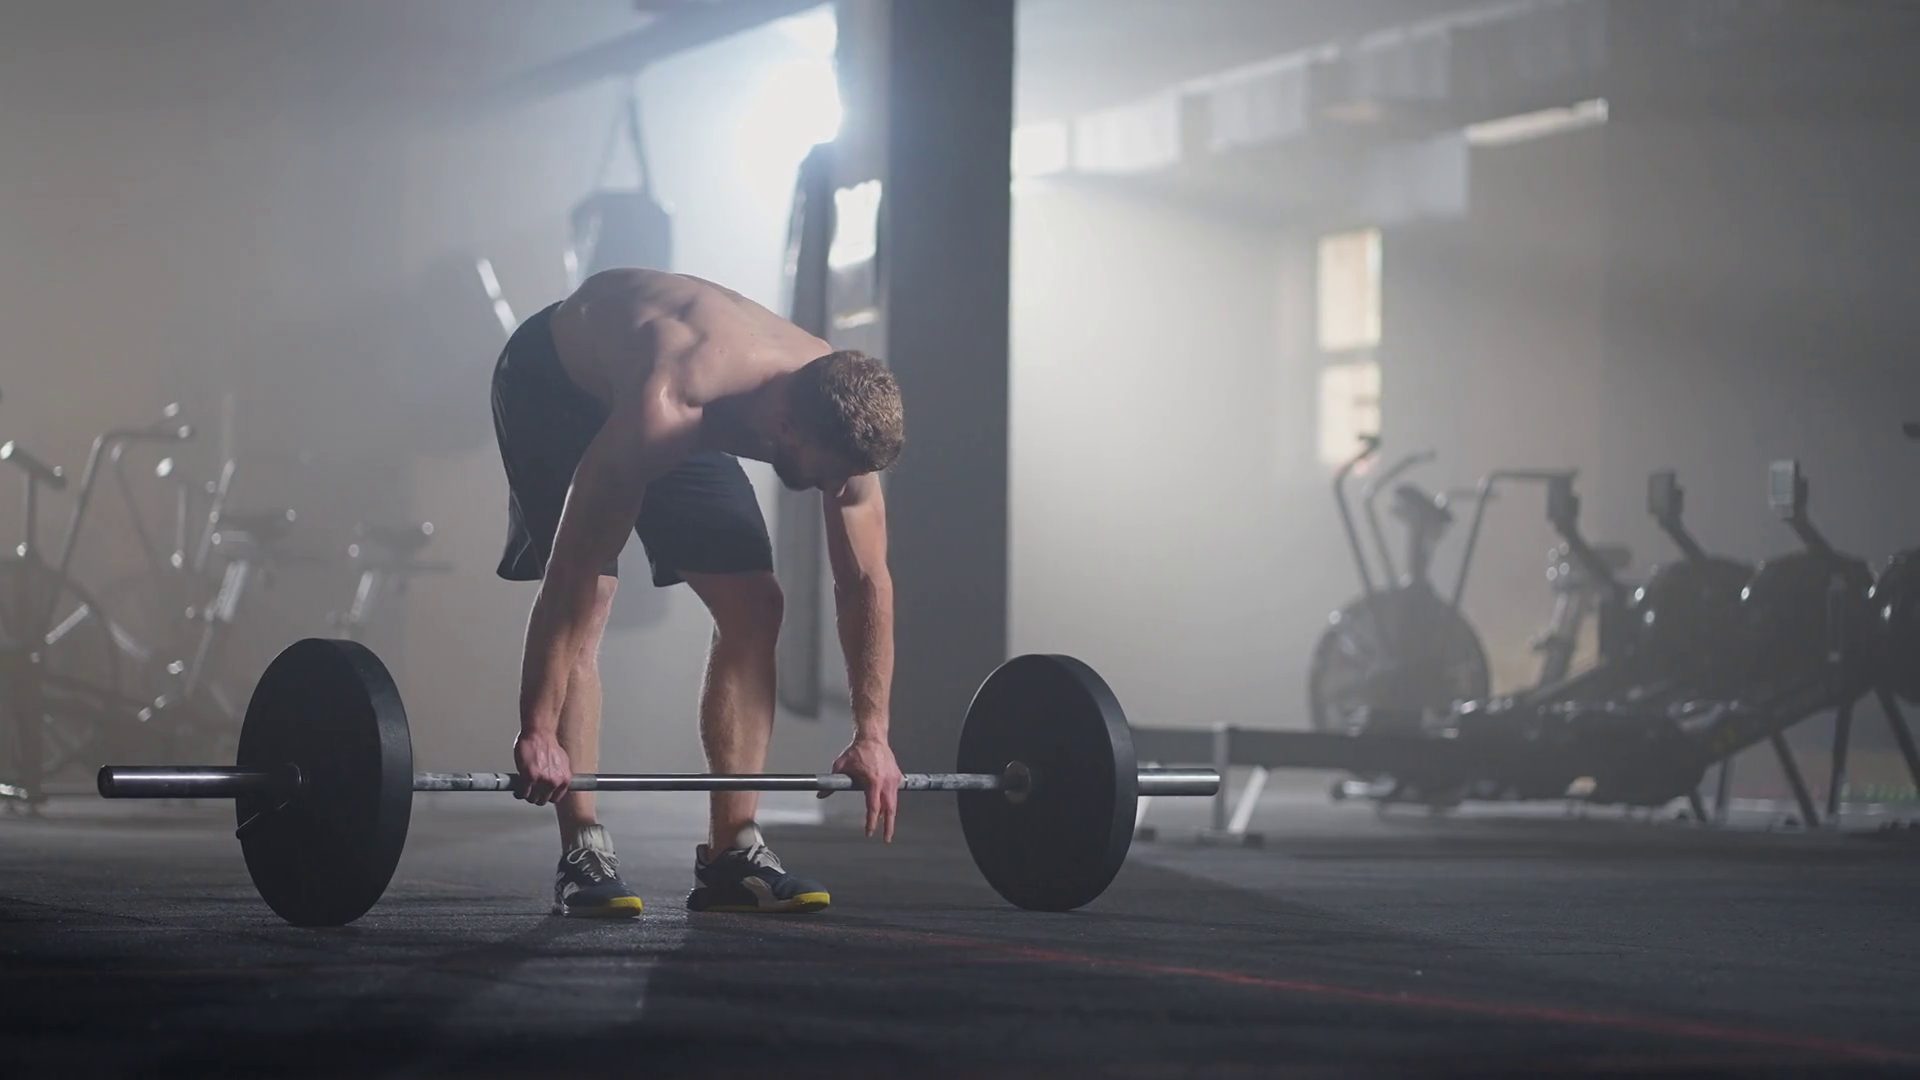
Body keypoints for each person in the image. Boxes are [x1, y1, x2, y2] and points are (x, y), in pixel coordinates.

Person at [490, 268, 905, 917]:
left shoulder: (835, 407)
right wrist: (536, 728)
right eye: (828, 475)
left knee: (756, 606)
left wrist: (872, 733)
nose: (836, 490)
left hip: (675, 395)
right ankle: (584, 848)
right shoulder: (671, 398)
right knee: (594, 595)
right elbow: (571, 571)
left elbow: (865, 582)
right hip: (556, 385)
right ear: (786, 424)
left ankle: (732, 852)